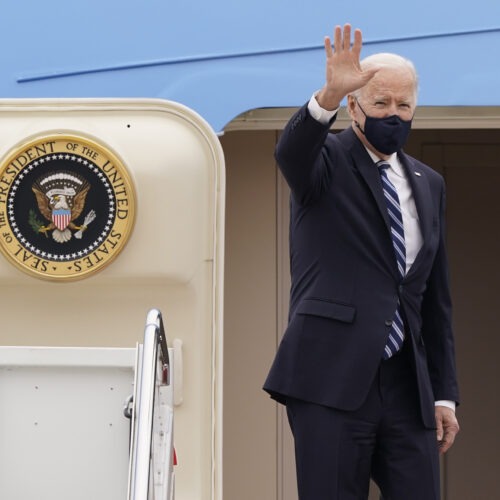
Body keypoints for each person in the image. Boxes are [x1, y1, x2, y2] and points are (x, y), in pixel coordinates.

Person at [263, 24, 460, 500]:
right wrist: (327, 94)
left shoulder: (428, 182)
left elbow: (434, 298)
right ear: (355, 107)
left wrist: (443, 393)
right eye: (381, 103)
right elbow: (291, 152)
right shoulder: (324, 162)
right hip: (331, 377)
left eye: (404, 105)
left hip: (406, 387)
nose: (394, 114)